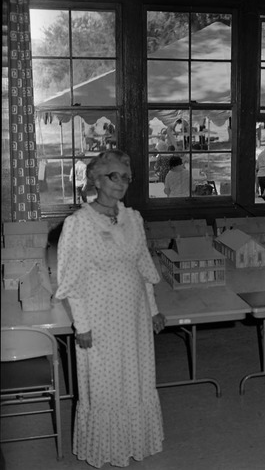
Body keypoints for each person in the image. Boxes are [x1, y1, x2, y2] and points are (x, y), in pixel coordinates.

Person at [55, 150, 166, 468]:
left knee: (137, 379)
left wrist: (154, 310)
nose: (120, 183)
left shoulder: (134, 219)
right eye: (112, 176)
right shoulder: (78, 224)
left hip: (135, 316)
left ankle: (135, 440)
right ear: (96, 180)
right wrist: (83, 326)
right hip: (99, 319)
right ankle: (107, 448)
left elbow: (143, 268)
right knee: (104, 385)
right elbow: (70, 281)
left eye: (126, 177)